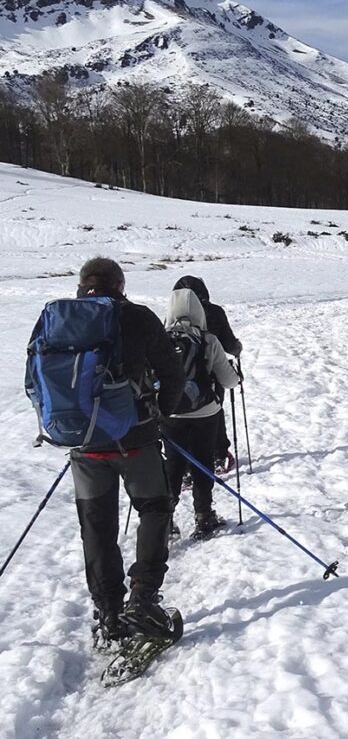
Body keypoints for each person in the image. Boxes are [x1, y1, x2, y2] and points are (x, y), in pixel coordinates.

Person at [64, 258, 185, 645]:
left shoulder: (61, 317)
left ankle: (109, 612)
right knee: (154, 508)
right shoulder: (137, 316)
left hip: (83, 443)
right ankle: (143, 599)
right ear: (120, 283)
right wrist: (160, 412)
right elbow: (173, 373)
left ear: (83, 284)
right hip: (135, 437)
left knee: (96, 526)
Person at [162, 288, 240, 539]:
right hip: (205, 413)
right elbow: (228, 381)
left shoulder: (159, 339)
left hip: (169, 413)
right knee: (202, 462)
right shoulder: (208, 340)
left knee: (172, 464)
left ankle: (165, 520)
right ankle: (204, 517)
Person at [172, 276, 241, 472]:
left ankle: (184, 465)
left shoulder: (172, 317)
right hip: (213, 373)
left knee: (181, 414)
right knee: (213, 413)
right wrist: (237, 350)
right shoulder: (215, 312)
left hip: (180, 378)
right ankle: (218, 455)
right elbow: (229, 343)